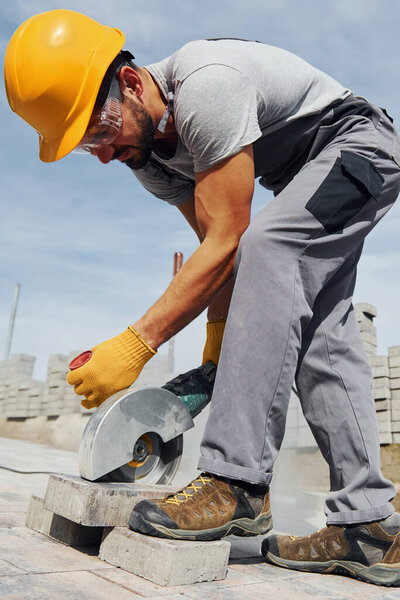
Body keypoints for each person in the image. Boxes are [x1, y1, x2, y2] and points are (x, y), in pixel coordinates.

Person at [5, 9, 400, 586]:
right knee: (320, 336)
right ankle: (369, 528)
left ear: (133, 85)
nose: (104, 154)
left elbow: (233, 239)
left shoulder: (207, 84)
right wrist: (216, 351)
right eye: (85, 146)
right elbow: (223, 261)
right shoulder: (155, 161)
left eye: (100, 130)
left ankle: (235, 483)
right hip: (307, 179)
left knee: (273, 245)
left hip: (358, 145)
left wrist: (137, 343)